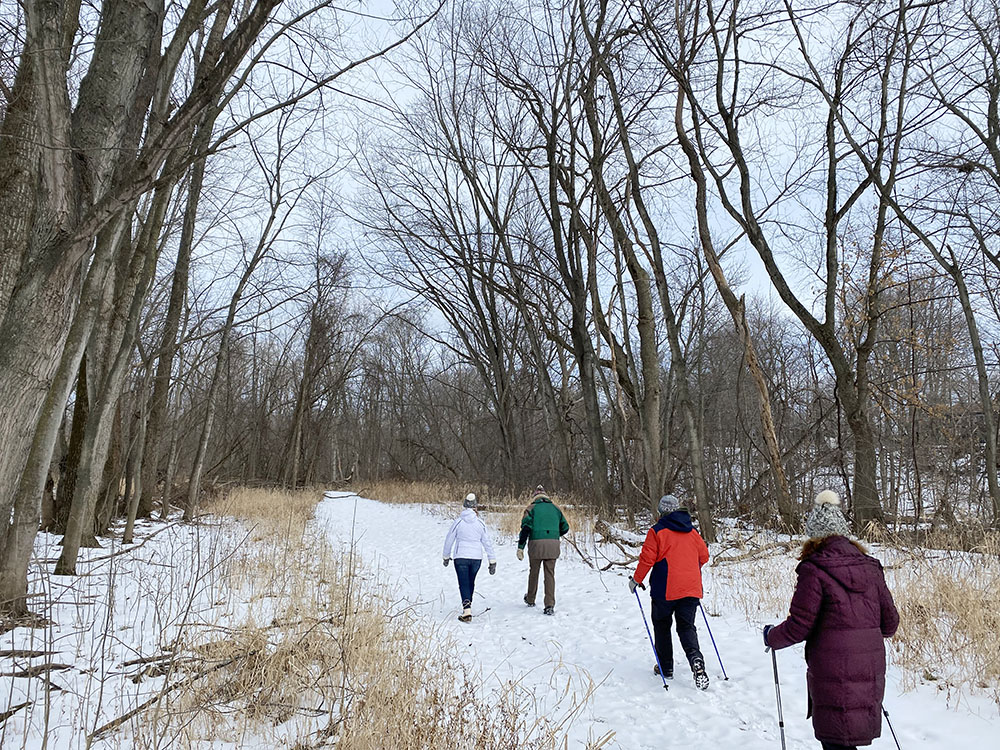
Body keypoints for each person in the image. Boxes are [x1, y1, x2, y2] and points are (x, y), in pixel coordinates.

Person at [763, 490, 900, 750]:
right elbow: (890, 623)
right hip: (868, 667)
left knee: (836, 739)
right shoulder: (871, 567)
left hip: (831, 667)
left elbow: (799, 625)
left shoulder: (813, 569)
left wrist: (771, 636)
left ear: (814, 536)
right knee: (848, 739)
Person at [629, 493, 711, 690]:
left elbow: (647, 559)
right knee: (686, 627)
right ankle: (696, 659)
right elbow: (705, 556)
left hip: (665, 589)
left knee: (662, 625)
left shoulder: (657, 532)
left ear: (661, 512)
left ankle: (666, 668)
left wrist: (636, 580)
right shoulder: (692, 532)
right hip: (691, 588)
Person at [443, 493, 496, 622]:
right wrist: (492, 560)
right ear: (475, 507)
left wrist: (446, 556)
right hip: (476, 558)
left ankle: (467, 609)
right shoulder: (480, 524)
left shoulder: (458, 522)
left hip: (460, 557)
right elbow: (487, 542)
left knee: (463, 582)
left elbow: (449, 540)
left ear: (464, 506)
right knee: (470, 581)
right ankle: (468, 606)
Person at [516, 485, 569, 615]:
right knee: (549, 574)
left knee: (534, 572)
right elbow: (565, 527)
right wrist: (554, 534)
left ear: (535, 497)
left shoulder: (531, 508)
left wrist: (520, 547)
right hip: (553, 545)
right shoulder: (556, 509)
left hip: (536, 544)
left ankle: (530, 598)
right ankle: (549, 605)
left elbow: (526, 528)